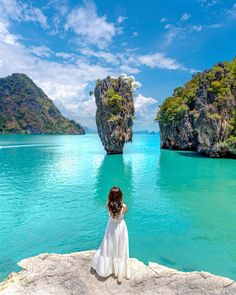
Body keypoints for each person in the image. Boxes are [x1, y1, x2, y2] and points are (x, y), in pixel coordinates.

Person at [91, 186, 130, 282]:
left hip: (111, 227)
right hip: (120, 227)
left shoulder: (107, 205)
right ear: (120, 195)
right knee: (120, 247)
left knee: (109, 247)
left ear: (110, 195)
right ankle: (118, 268)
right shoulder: (123, 206)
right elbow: (126, 211)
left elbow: (111, 212)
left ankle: (109, 267)